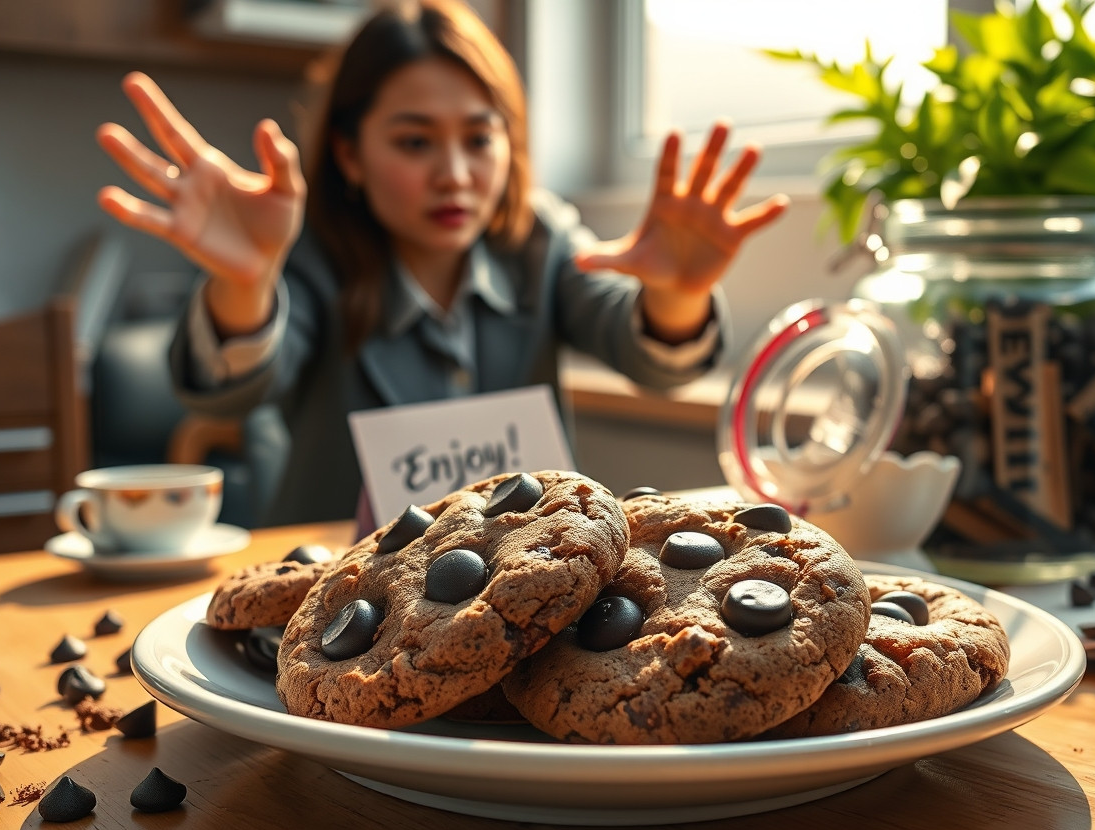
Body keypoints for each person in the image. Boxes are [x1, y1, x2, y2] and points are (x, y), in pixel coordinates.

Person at [95, 0, 787, 526]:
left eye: (479, 139)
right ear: (349, 154)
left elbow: (651, 356)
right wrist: (245, 281)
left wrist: (677, 296)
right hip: (343, 598)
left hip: (524, 586)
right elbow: (231, 390)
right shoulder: (312, 258)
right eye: (415, 142)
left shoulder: (539, 240)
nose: (455, 175)